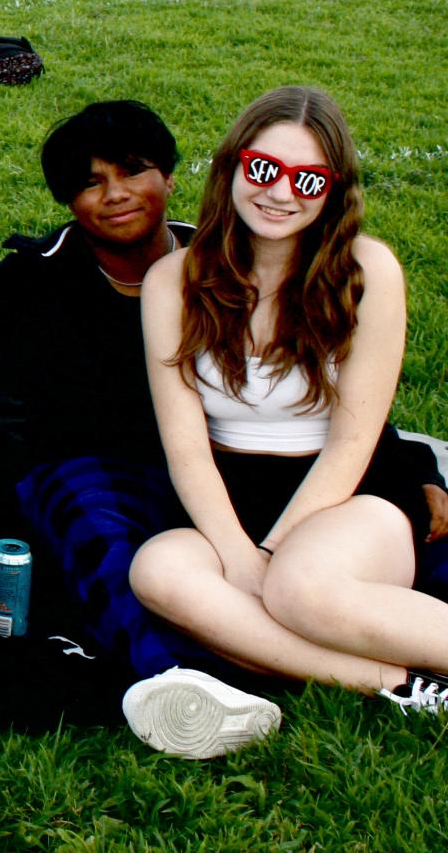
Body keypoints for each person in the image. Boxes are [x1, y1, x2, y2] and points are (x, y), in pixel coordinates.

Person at [122, 87, 448, 759]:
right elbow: (184, 448)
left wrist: (273, 563)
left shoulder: (367, 271)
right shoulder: (170, 281)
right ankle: (396, 683)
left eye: (308, 179)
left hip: (348, 491)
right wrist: (242, 559)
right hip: (229, 492)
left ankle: (323, 637)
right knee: (156, 571)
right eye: (264, 169)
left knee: (300, 588)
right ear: (233, 167)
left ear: (333, 191)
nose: (280, 193)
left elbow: (354, 439)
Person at [0, 101, 199, 674]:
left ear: (169, 176)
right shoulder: (23, 286)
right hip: (85, 464)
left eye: (133, 170)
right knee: (99, 537)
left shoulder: (224, 270)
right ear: (68, 202)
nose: (115, 194)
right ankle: (177, 680)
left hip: (214, 460)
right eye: (90, 183)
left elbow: (305, 386)